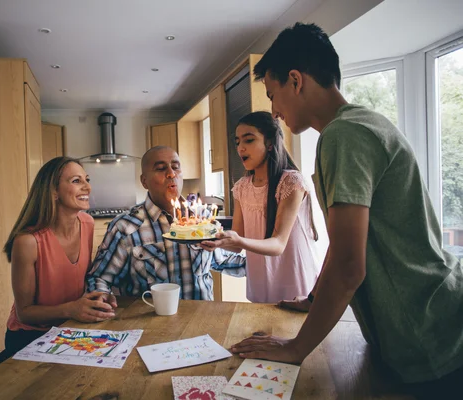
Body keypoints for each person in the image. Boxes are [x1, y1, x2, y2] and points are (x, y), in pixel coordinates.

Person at [229, 22, 463, 397]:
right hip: (428, 323)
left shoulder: (343, 135)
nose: (273, 111)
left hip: (428, 335)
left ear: (296, 80)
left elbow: (349, 266)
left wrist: (295, 348)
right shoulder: (358, 125)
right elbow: (344, 247)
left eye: (273, 95)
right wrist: (312, 298)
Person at [0, 157, 116, 387]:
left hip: (69, 330)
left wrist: (96, 297)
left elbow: (79, 281)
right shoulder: (28, 241)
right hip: (30, 337)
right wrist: (73, 308)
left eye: (87, 179)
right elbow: (25, 314)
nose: (87, 187)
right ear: (53, 191)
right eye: (76, 181)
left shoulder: (88, 223)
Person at [86, 146, 245, 300]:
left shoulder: (203, 219)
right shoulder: (126, 227)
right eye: (161, 168)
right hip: (150, 321)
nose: (171, 173)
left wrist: (264, 263)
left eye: (176, 167)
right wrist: (101, 299)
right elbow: (99, 278)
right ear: (144, 181)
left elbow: (222, 260)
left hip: (201, 318)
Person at [200, 111, 319, 303]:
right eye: (238, 142)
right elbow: (237, 244)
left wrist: (238, 240)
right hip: (261, 280)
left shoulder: (290, 182)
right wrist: (214, 241)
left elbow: (278, 244)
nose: (240, 148)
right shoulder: (241, 187)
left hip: (294, 278)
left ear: (270, 143)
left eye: (248, 140)